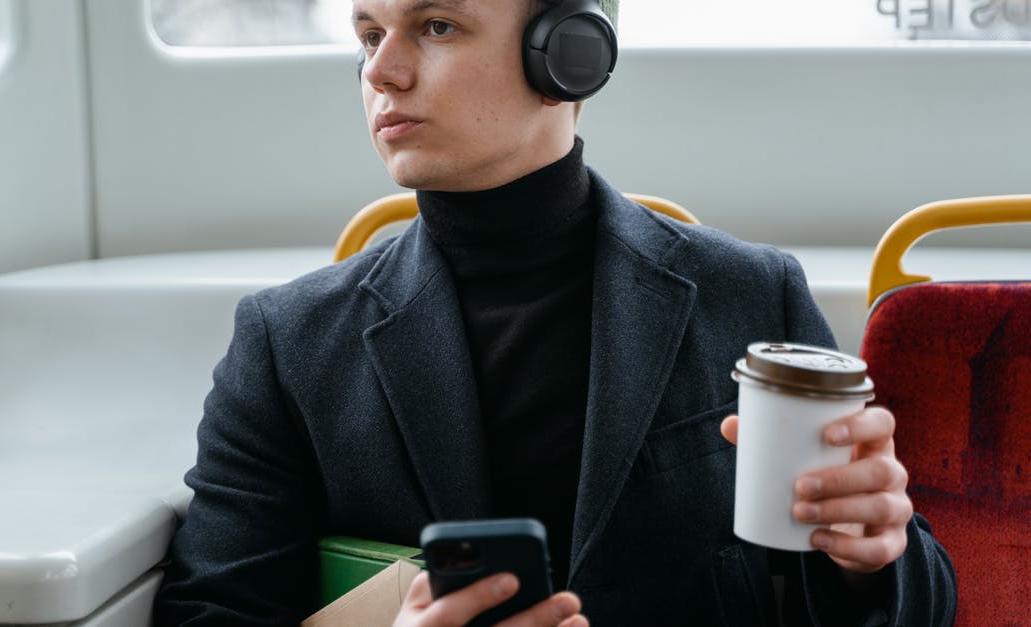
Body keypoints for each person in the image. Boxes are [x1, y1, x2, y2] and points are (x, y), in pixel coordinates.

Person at [154, 0, 957, 624]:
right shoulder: (287, 344)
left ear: (570, 52)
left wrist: (872, 559)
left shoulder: (751, 293)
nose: (382, 71)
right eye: (368, 34)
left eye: (435, 25)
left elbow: (917, 596)